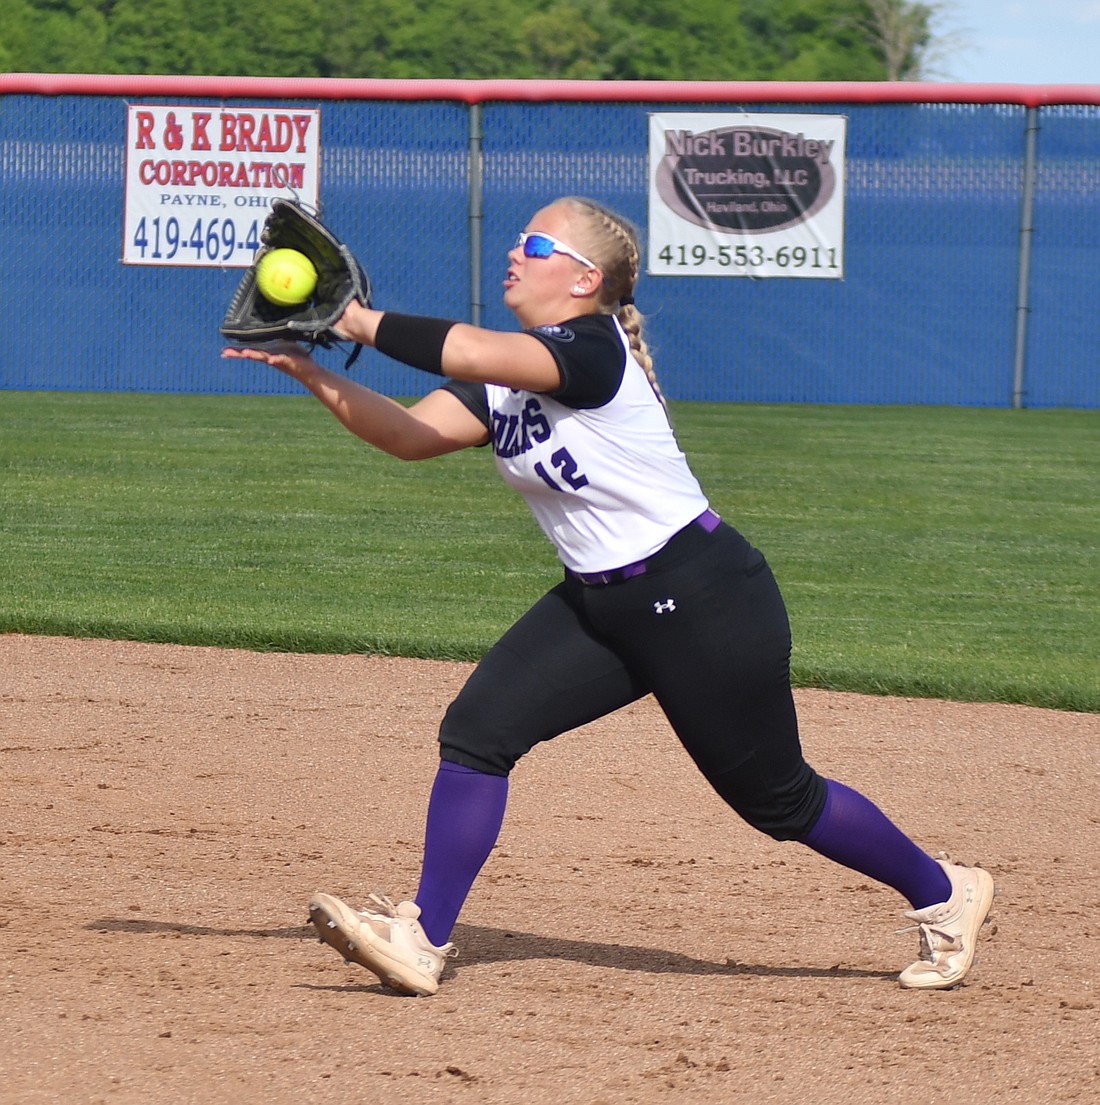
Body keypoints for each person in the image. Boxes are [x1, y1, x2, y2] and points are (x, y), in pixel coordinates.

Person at [222, 195, 995, 997]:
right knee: (479, 731)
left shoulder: (593, 349)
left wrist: (354, 321)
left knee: (779, 799)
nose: (514, 252)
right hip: (601, 605)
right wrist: (311, 372)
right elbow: (410, 436)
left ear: (585, 277)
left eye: (535, 242)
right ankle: (423, 938)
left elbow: (468, 345)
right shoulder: (505, 378)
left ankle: (945, 889)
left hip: (702, 597)